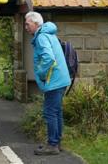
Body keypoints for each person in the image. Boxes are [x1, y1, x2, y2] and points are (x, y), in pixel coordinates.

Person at [24, 11, 71, 155]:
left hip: (54, 81)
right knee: (57, 112)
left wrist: (41, 74)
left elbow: (49, 58)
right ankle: (57, 142)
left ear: (36, 23)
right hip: (61, 79)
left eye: (27, 24)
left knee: (50, 112)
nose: (26, 27)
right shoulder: (49, 33)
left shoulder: (41, 37)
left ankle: (52, 145)